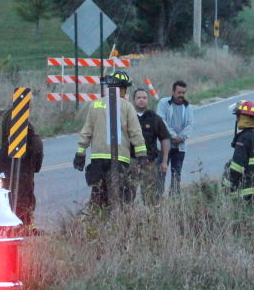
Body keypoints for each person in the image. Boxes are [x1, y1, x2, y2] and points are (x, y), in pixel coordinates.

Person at [73, 71, 147, 208]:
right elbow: (135, 133)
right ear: (123, 89)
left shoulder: (95, 105)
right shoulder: (127, 106)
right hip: (119, 159)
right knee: (118, 198)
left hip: (97, 159)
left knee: (98, 195)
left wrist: (80, 153)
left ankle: (97, 222)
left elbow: (86, 132)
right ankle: (116, 224)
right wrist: (141, 155)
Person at [0, 110, 44, 227]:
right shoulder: (15, 115)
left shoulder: (16, 115)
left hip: (24, 163)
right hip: (18, 163)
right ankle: (19, 225)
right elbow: (13, 140)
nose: (31, 106)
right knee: (19, 195)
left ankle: (25, 224)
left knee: (24, 195)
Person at [132, 87, 170, 202]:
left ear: (148, 100)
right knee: (127, 196)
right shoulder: (128, 117)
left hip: (149, 163)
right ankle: (128, 219)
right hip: (131, 162)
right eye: (138, 98)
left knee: (151, 197)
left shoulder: (154, 118)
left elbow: (165, 138)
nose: (141, 100)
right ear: (134, 100)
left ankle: (152, 219)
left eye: (144, 98)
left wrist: (164, 161)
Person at [157, 80, 193, 193]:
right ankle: (158, 199)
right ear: (173, 91)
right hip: (164, 146)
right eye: (179, 92)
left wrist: (180, 137)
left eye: (183, 93)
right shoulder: (164, 103)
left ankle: (175, 201)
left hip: (180, 147)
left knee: (176, 176)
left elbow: (189, 125)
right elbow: (161, 121)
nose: (181, 95)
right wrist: (172, 136)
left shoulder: (188, 107)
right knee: (160, 174)